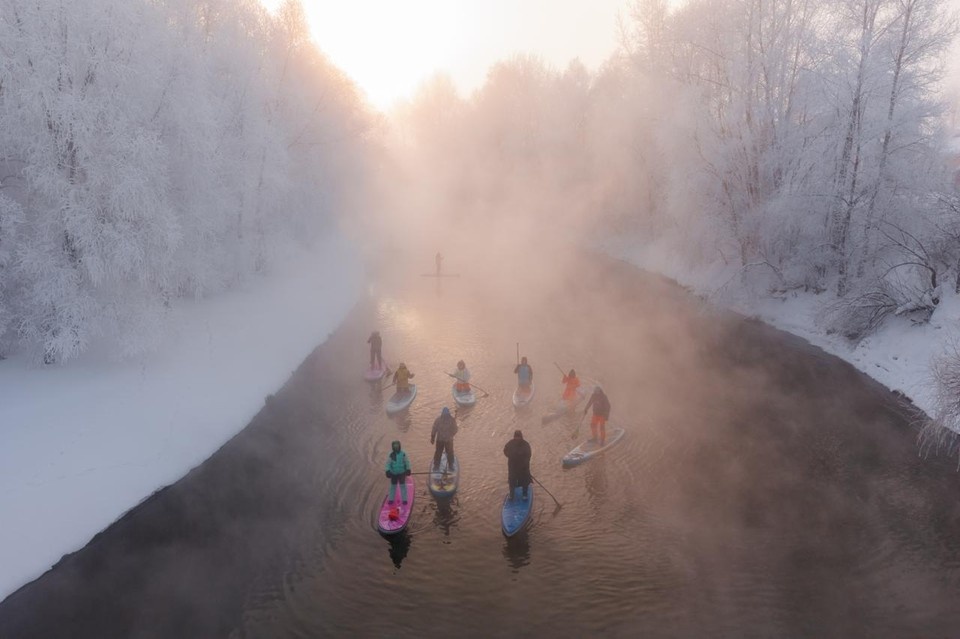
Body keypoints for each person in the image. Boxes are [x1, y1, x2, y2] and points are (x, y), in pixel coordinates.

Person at [503, 429, 532, 501]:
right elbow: (505, 450)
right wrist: (509, 455)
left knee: (524, 480)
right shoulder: (510, 443)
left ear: (521, 437)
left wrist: (524, 462)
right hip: (513, 467)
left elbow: (529, 455)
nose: (517, 438)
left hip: (523, 467)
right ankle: (511, 495)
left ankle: (524, 495)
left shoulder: (525, 444)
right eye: (516, 437)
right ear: (514, 437)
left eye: (518, 437)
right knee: (512, 480)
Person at [430, 407, 459, 471]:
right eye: (444, 415)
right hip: (440, 440)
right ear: (442, 415)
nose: (445, 417)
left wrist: (452, 434)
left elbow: (456, 429)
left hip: (449, 441)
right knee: (438, 453)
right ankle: (436, 466)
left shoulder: (452, 420)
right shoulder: (438, 420)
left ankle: (451, 465)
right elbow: (434, 429)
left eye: (446, 415)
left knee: (450, 453)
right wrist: (432, 437)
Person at [384, 440, 412, 505]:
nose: (396, 448)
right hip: (393, 474)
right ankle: (391, 499)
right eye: (395, 446)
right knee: (393, 486)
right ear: (393, 447)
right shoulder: (391, 455)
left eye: (397, 446)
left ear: (399, 446)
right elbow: (387, 464)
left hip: (402, 473)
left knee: (403, 486)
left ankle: (404, 500)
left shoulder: (403, 454)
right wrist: (387, 470)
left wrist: (408, 469)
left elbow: (407, 462)